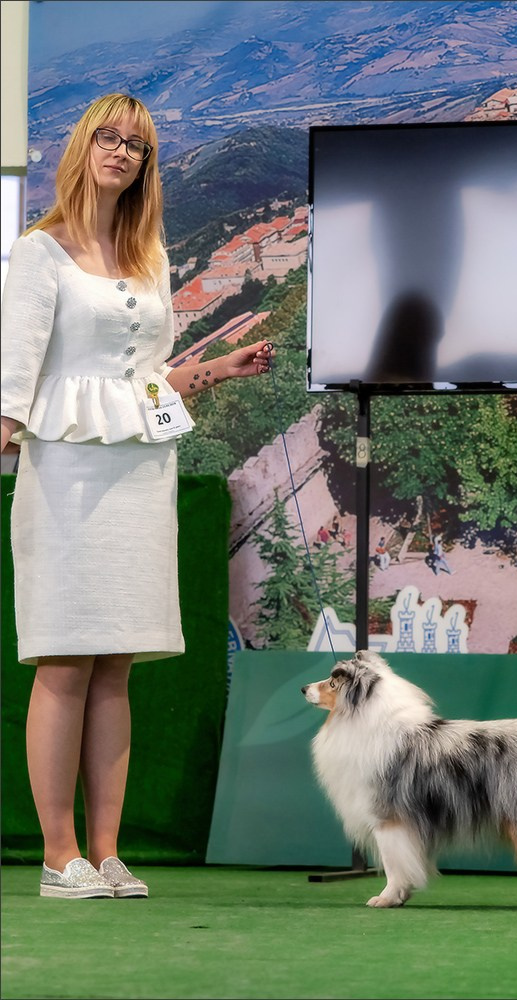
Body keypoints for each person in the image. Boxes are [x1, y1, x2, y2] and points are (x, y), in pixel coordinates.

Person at [0, 94, 273, 900]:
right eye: (110, 139)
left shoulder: (149, 258)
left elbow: (149, 377)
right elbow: (14, 379)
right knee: (65, 662)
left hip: (140, 470)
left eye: (138, 146)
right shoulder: (39, 252)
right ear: (83, 148)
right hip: (66, 475)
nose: (122, 153)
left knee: (115, 663)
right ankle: (59, 857)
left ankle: (107, 855)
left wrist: (216, 370)